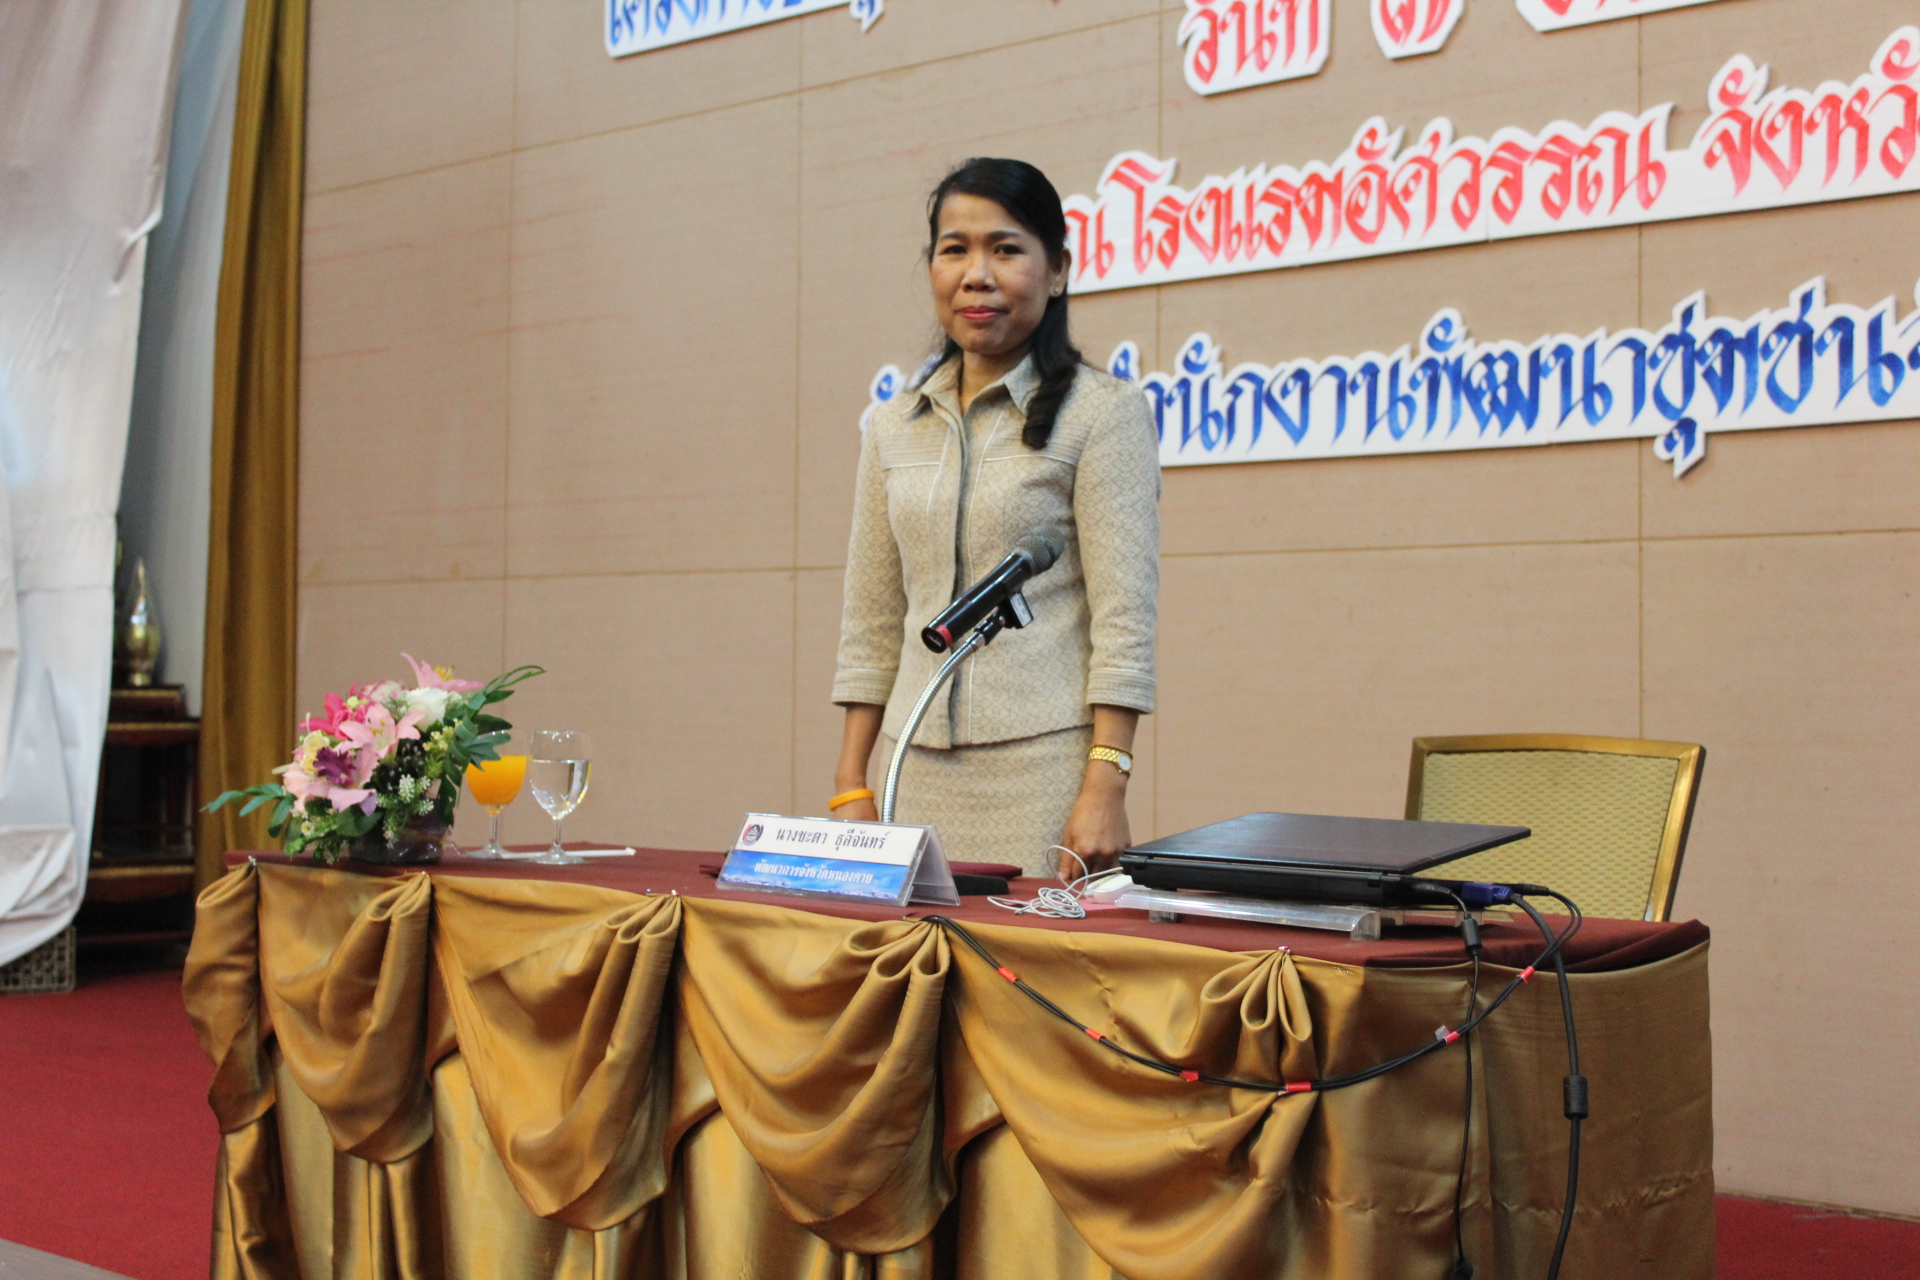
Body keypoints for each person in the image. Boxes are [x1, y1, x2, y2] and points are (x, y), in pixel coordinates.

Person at [829, 157, 1160, 880]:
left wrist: (1107, 782)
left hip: (1043, 772)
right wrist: (852, 780)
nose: (976, 274)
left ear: (1058, 270)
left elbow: (1124, 620)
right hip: (905, 771)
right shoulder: (892, 426)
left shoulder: (1103, 415)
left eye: (1006, 249)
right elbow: (872, 618)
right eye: (955, 249)